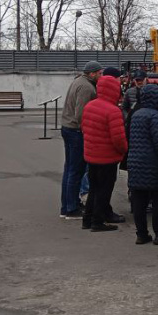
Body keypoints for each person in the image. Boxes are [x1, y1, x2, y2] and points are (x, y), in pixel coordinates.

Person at [126, 84, 158, 245]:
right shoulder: (155, 117)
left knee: (139, 202)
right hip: (153, 166)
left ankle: (141, 234)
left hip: (135, 164)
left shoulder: (137, 114)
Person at [80, 75, 128, 232]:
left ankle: (87, 219)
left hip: (91, 155)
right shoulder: (113, 111)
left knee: (93, 188)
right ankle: (97, 222)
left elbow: (84, 129)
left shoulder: (90, 106)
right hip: (107, 158)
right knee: (104, 190)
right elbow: (119, 139)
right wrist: (124, 150)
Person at [59, 61, 102, 219]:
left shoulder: (78, 81)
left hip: (68, 127)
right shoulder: (86, 87)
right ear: (92, 74)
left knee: (70, 170)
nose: (101, 76)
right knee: (76, 171)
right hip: (76, 131)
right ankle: (72, 208)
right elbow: (80, 114)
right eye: (99, 73)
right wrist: (88, 130)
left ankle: (66, 206)